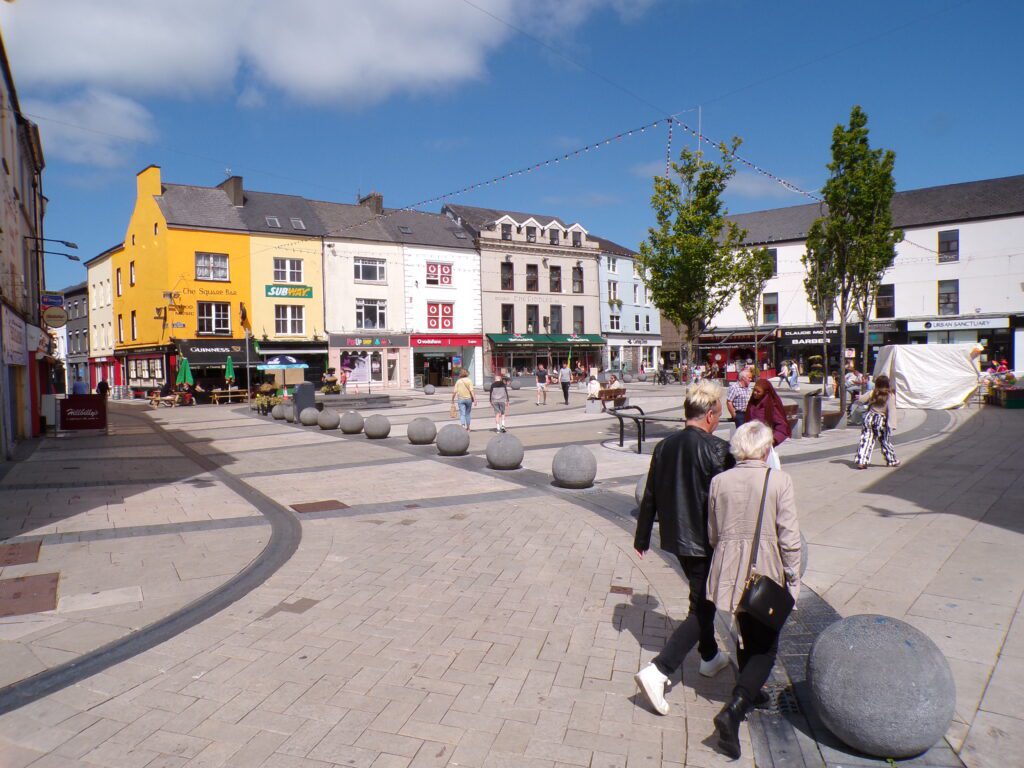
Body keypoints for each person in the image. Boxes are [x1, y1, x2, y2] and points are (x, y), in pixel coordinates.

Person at [633, 380, 736, 716]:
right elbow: (731, 501)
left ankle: (709, 656)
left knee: (699, 596)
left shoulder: (664, 446)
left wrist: (642, 537)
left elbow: (650, 493)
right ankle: (660, 669)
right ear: (708, 415)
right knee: (705, 606)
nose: (718, 420)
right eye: (718, 413)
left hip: (676, 539)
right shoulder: (719, 450)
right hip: (705, 540)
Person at [706, 420, 802, 759]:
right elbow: (789, 536)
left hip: (729, 564)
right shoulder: (779, 481)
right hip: (764, 566)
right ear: (765, 449)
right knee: (767, 647)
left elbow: (713, 532)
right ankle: (734, 709)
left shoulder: (720, 481)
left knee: (745, 630)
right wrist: (793, 578)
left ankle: (750, 690)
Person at [854, 374, 899, 469]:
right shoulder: (890, 395)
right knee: (884, 441)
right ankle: (891, 460)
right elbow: (892, 410)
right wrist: (892, 424)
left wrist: (859, 397)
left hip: (869, 418)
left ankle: (862, 461)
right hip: (881, 420)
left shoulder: (873, 392)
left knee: (866, 440)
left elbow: (862, 399)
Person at [745, 378, 791, 447]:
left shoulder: (771, 406)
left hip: (764, 443)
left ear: (765, 392)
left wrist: (773, 439)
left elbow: (782, 426)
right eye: (754, 390)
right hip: (750, 440)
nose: (755, 393)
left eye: (758, 392)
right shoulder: (752, 403)